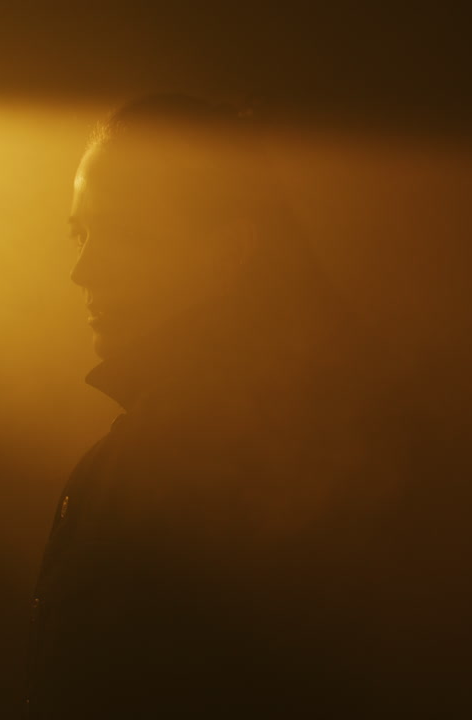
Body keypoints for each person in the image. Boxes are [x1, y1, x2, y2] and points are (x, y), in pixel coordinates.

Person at [24, 95, 418, 717]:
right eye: (81, 232)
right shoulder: (152, 446)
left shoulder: (226, 456)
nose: (83, 269)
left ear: (230, 252)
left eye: (123, 233)